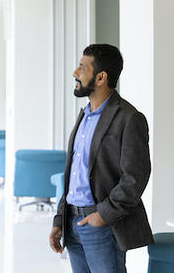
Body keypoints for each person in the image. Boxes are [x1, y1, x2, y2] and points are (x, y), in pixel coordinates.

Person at [49, 44, 154, 273]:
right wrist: (60, 219)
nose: (75, 73)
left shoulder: (129, 118)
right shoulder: (84, 115)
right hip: (72, 222)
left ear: (101, 77)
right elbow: (74, 174)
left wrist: (103, 216)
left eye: (81, 67)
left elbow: (135, 178)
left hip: (102, 227)